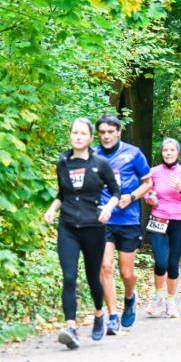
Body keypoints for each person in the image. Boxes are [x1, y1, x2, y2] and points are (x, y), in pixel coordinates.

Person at [44, 118, 121, 349]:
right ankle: (71, 327)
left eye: (82, 133)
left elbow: (116, 191)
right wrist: (51, 209)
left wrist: (108, 207)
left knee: (92, 278)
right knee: (69, 277)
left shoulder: (100, 163)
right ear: (70, 135)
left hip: (93, 227)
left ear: (90, 138)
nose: (78, 136)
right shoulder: (63, 162)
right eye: (74, 133)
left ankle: (99, 314)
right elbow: (62, 193)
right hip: (67, 226)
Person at [94, 114, 152, 335]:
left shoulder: (133, 153)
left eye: (111, 132)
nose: (107, 136)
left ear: (118, 132)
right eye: (102, 132)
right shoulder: (93, 155)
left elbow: (148, 182)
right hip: (103, 219)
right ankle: (113, 316)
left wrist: (133, 197)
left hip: (128, 219)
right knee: (105, 267)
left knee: (126, 273)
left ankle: (130, 297)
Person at [143, 138, 181, 318]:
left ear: (178, 152)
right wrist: (150, 198)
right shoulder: (154, 172)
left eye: (171, 150)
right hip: (158, 219)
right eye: (165, 150)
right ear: (162, 152)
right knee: (161, 261)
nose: (168, 153)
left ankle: (171, 301)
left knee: (173, 263)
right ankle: (158, 296)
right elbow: (147, 193)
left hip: (179, 222)